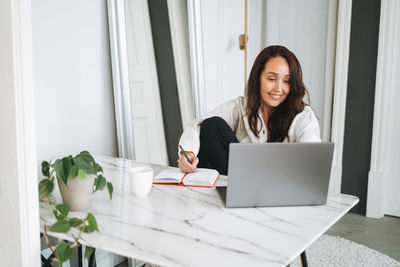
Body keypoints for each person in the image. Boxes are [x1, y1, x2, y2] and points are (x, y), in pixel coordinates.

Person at [177, 45, 321, 175]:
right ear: (257, 78)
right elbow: (198, 123)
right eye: (272, 79)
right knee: (212, 125)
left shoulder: (303, 116)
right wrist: (187, 153)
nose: (278, 88)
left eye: (286, 81)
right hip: (240, 181)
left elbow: (310, 156)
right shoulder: (241, 107)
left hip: (280, 182)